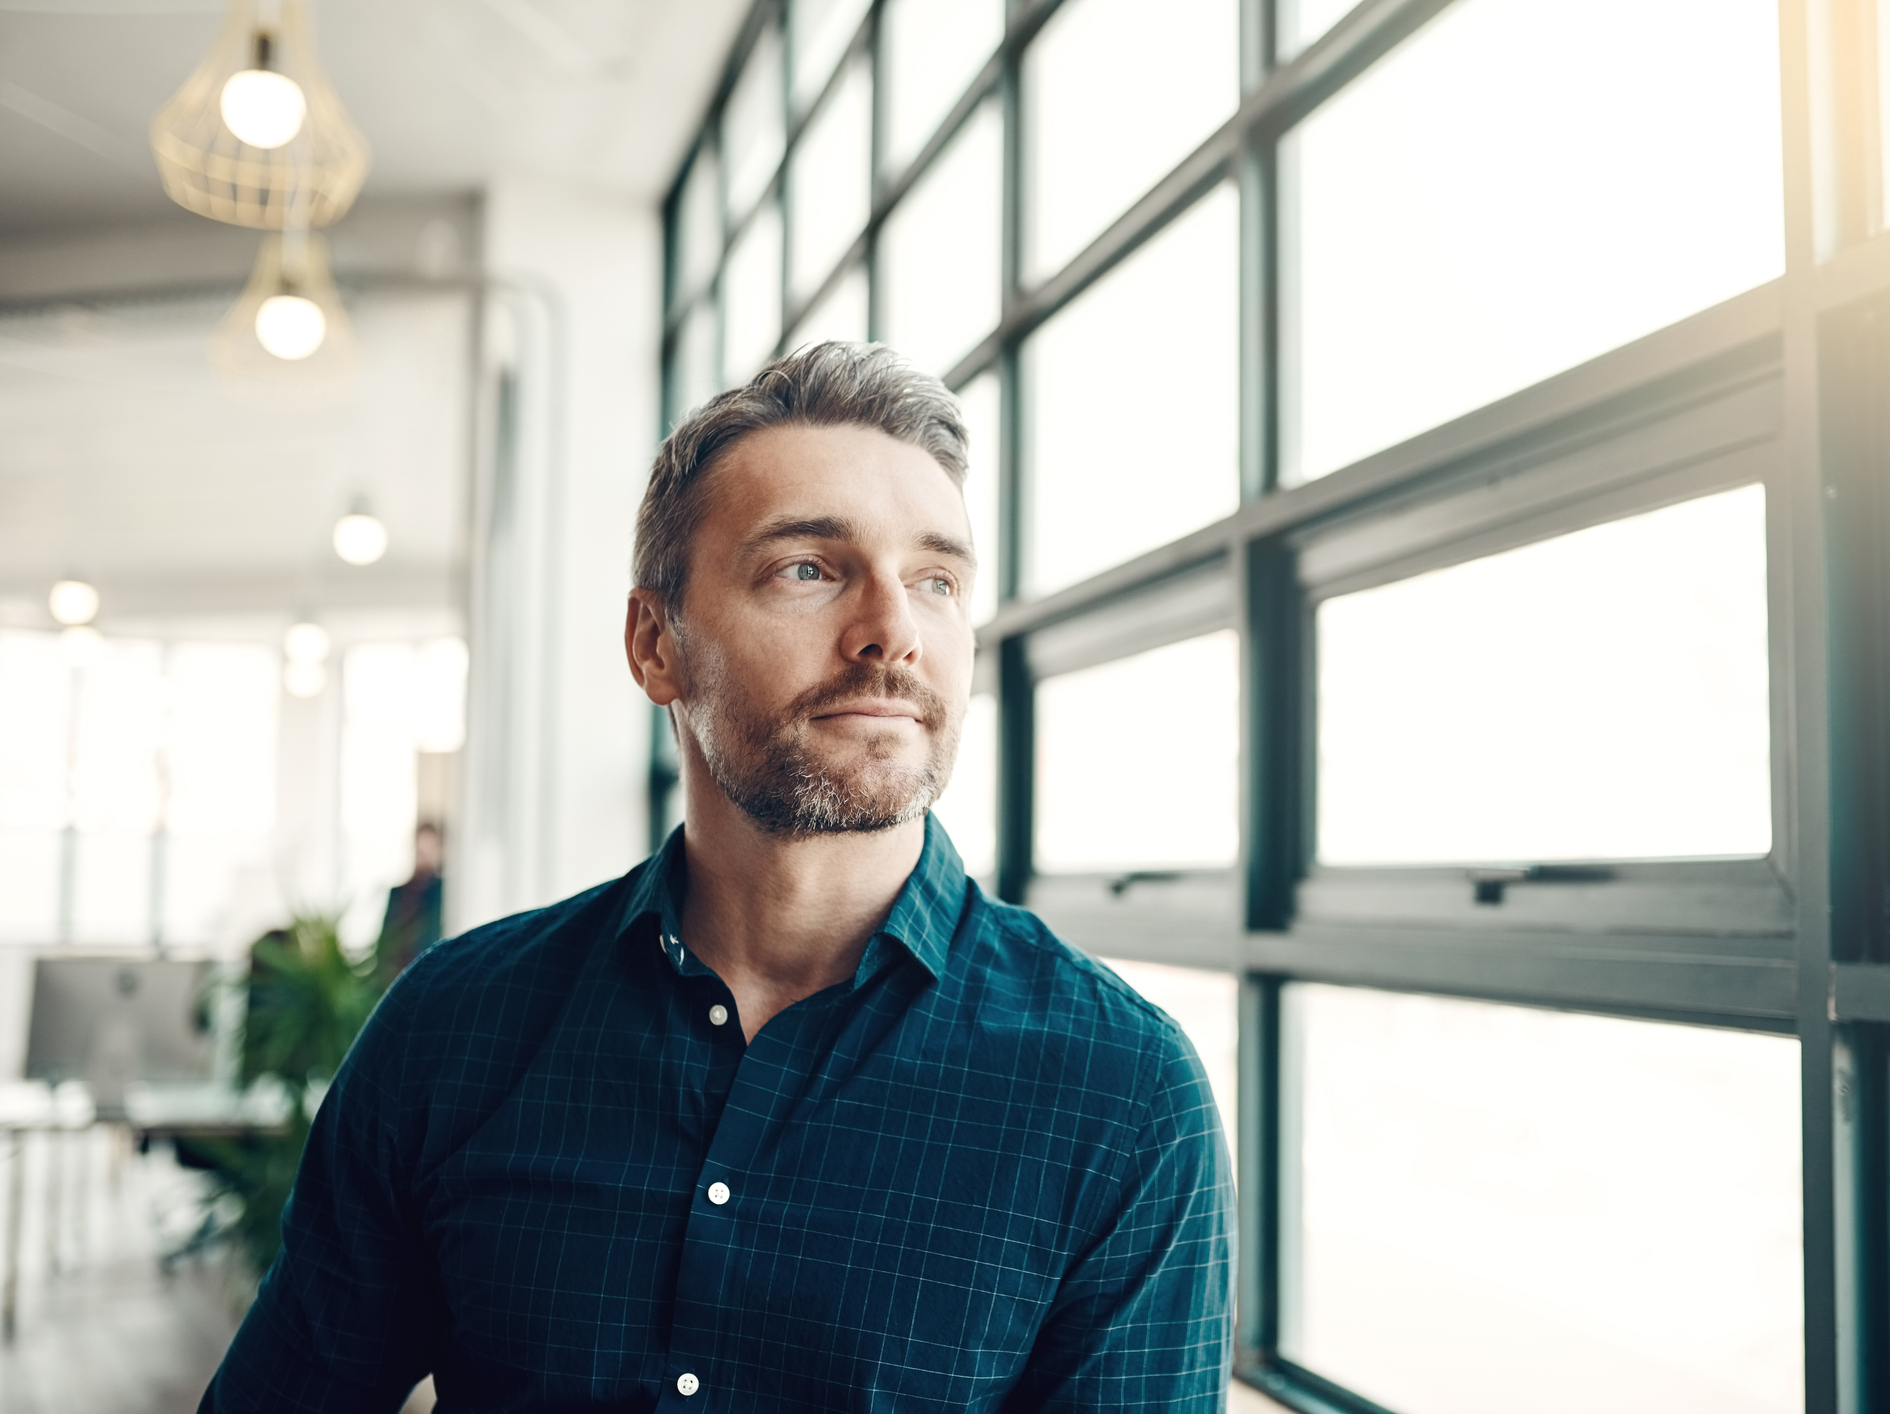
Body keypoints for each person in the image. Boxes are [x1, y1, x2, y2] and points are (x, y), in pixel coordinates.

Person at [200, 342, 1234, 1412]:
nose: (893, 633)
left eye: (935, 581)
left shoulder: (1120, 1095)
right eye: (810, 568)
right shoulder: (452, 1030)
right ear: (657, 644)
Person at [374, 821, 445, 982]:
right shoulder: (399, 892)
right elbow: (386, 936)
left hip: (428, 972)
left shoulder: (442, 892)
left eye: (430, 850)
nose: (425, 858)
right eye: (421, 851)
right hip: (394, 976)